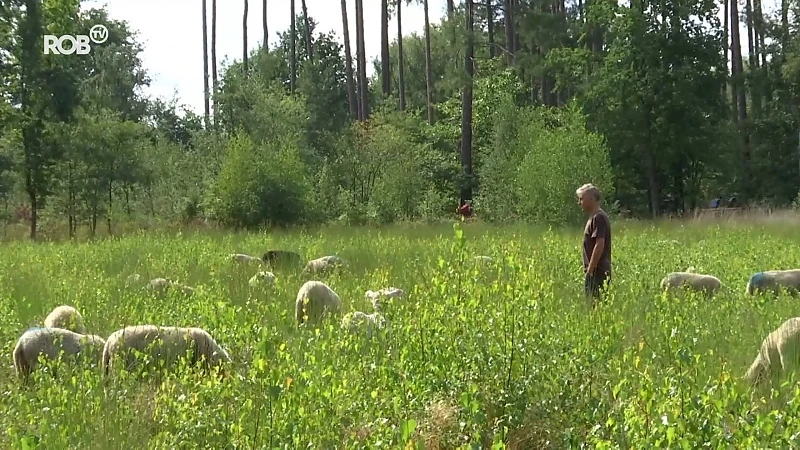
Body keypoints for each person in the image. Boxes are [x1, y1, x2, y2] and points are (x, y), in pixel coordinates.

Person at [576, 183, 612, 303]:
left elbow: (599, 244)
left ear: (591, 199)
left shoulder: (598, 218)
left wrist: (590, 270)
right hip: (597, 271)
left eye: (581, 199)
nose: (579, 202)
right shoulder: (595, 217)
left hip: (598, 272)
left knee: (596, 308)